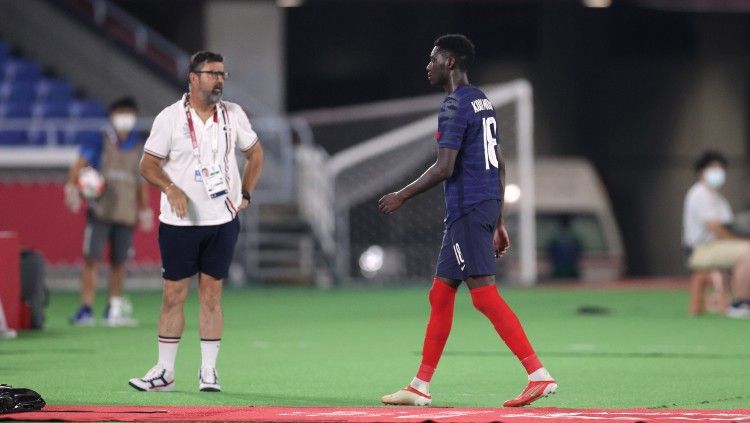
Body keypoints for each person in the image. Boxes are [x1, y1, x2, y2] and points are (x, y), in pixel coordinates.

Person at [378, 34, 556, 408]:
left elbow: (444, 167)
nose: (428, 65)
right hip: (483, 204)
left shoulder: (455, 104)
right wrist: (499, 219)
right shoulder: (482, 100)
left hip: (467, 208)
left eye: (433, 58)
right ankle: (419, 386)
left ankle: (538, 374)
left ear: (451, 62)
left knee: (484, 295)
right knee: (440, 294)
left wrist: (402, 195)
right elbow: (499, 162)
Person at [129, 51, 264, 392]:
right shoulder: (170, 118)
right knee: (173, 295)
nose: (219, 79)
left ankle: (208, 372)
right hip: (180, 223)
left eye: (222, 74)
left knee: (212, 295)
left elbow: (255, 152)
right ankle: (164, 372)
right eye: (211, 73)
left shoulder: (233, 114)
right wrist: (171, 188)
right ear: (192, 77)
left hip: (222, 219)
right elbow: (147, 165)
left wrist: (245, 192)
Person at [64, 96, 152, 327]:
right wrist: (72, 188)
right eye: (120, 111)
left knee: (119, 263)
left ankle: (113, 307)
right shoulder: (99, 140)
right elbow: (78, 165)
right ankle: (86, 308)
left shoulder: (138, 146)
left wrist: (145, 210)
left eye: (129, 112)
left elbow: (141, 182)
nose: (125, 117)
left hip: (125, 214)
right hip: (100, 212)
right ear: (112, 115)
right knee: (91, 259)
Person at [683, 151, 750, 318]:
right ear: (701, 172)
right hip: (701, 249)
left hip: (718, 247)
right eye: (713, 168)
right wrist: (737, 242)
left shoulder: (719, 199)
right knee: (748, 252)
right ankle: (741, 303)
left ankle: (733, 298)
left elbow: (730, 225)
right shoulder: (699, 193)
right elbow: (714, 227)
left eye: (720, 168)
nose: (717, 172)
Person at [546, 215, 582, 279]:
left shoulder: (555, 238)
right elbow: (579, 252)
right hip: (564, 270)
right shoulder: (574, 238)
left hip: (565, 270)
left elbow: (549, 253)